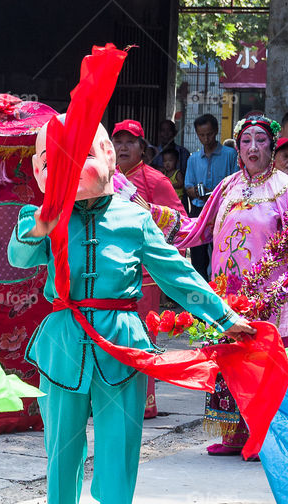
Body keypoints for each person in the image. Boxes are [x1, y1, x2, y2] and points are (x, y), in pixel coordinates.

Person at [9, 118, 254, 504]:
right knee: (62, 458)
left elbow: (178, 273)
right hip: (63, 348)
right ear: (39, 169)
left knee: (119, 464)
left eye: (85, 156)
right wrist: (43, 221)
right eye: (53, 162)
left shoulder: (134, 217)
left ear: (111, 159)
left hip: (123, 349)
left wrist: (224, 317)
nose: (71, 169)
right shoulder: (38, 215)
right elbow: (17, 256)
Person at [173, 114, 288, 457]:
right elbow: (197, 231)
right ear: (238, 148)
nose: (253, 148)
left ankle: (265, 437)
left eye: (261, 141)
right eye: (246, 141)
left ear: (272, 146)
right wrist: (148, 215)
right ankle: (234, 433)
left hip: (269, 295)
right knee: (228, 358)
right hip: (227, 296)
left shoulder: (286, 189)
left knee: (261, 364)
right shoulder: (226, 187)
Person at [112, 118, 188, 418]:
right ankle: (112, 398)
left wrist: (151, 212)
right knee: (113, 337)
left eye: (130, 141)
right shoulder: (104, 177)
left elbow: (181, 223)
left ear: (143, 148)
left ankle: (145, 402)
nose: (123, 147)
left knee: (143, 338)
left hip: (145, 275)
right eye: (118, 141)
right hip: (111, 272)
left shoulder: (155, 180)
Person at [184, 114, 238, 280]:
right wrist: (198, 192)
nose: (206, 138)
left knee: (221, 249)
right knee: (198, 252)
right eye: (201, 135)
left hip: (222, 208)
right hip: (199, 209)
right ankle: (201, 286)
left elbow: (236, 182)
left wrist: (213, 193)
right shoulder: (193, 159)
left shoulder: (230, 154)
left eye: (209, 134)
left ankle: (219, 285)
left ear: (216, 131)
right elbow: (188, 187)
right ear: (197, 134)